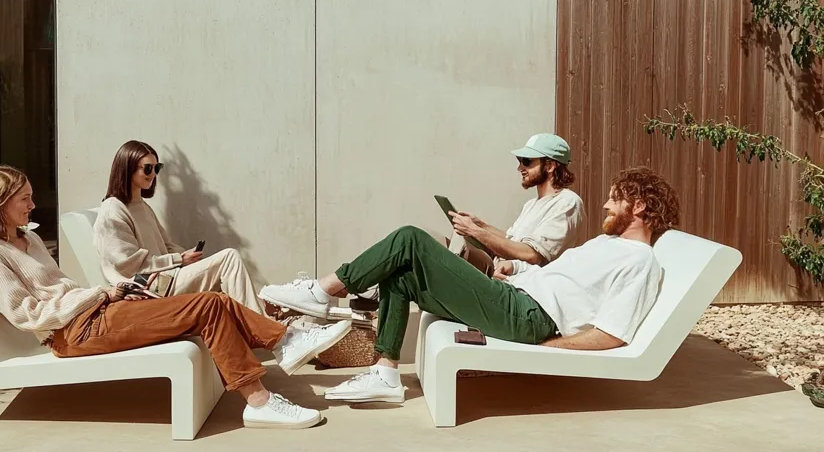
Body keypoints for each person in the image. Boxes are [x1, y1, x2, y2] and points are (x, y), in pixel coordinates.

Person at [0, 165, 353, 429]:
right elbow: (29, 314)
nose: (33, 205)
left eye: (31, 197)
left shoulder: (28, 238)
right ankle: (273, 371)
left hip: (98, 312)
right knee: (207, 304)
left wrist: (109, 295)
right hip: (72, 334)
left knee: (214, 303)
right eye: (24, 199)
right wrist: (97, 295)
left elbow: (61, 287)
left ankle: (274, 368)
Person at [259, 166, 678, 404]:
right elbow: (555, 278)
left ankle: (321, 292)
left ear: (638, 207)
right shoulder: (606, 243)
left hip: (528, 318)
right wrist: (513, 272)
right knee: (401, 272)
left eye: (614, 198)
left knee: (409, 238)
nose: (605, 204)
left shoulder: (641, 262)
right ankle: (385, 373)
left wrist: (544, 347)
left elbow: (612, 335)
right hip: (517, 297)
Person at [92, 140, 267, 315]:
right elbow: (129, 265)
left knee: (227, 278)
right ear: (127, 168)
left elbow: (167, 246)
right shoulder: (112, 210)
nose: (153, 174)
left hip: (166, 278)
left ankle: (260, 321)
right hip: (148, 288)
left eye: (157, 168)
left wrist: (186, 257)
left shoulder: (142, 207)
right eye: (147, 168)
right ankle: (264, 326)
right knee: (229, 258)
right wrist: (179, 260)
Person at [439, 133, 584, 278]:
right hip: (499, 271)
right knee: (440, 244)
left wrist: (474, 231)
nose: (520, 168)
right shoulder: (532, 204)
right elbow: (512, 240)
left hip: (521, 286)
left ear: (550, 166)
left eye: (526, 161)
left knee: (431, 252)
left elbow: (532, 254)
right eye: (519, 160)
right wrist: (481, 225)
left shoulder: (567, 202)